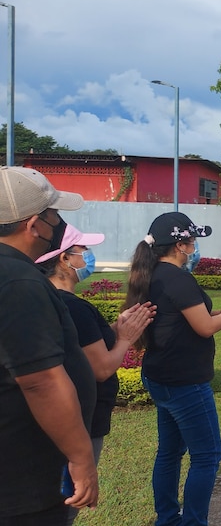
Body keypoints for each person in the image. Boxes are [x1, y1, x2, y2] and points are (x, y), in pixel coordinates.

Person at [124, 211, 221, 525]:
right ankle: (193, 521)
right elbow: (205, 328)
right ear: (180, 244)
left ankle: (168, 518)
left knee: (170, 452)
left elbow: (188, 318)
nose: (195, 246)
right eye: (192, 240)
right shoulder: (177, 277)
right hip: (184, 380)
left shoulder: (154, 273)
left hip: (161, 374)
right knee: (208, 456)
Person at [36, 225, 155, 525]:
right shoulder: (74, 307)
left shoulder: (44, 297)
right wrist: (126, 339)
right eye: (83, 251)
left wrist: (114, 329)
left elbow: (81, 347)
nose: (89, 257)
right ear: (64, 259)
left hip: (56, 415)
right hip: (82, 419)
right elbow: (101, 367)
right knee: (68, 501)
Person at [0, 166, 98, 524]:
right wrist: (81, 457)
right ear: (33, 225)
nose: (59, 224)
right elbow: (40, 381)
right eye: (54, 214)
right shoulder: (19, 283)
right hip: (22, 481)